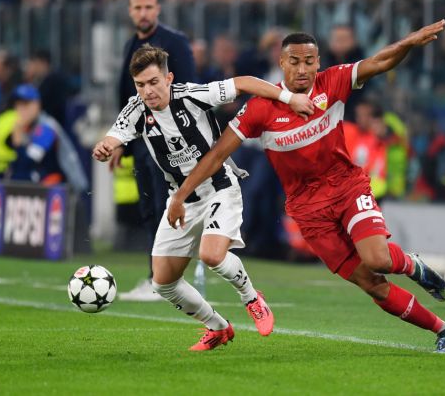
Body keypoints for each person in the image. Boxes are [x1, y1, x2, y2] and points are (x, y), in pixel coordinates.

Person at [167, 22, 445, 353]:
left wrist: (408, 42)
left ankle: (411, 265)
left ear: (318, 62)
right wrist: (181, 194)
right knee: (371, 283)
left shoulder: (333, 82)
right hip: (308, 210)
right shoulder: (261, 109)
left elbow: (379, 62)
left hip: (346, 187)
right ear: (281, 64)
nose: (302, 69)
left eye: (309, 61)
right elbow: (217, 154)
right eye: (294, 61)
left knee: (378, 259)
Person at [92, 45, 314, 351]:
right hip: (181, 201)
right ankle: (218, 327)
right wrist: (105, 146)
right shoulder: (135, 110)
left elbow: (245, 82)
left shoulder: (191, 94)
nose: (148, 91)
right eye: (141, 85)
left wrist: (290, 98)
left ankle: (252, 298)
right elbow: (114, 136)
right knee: (163, 282)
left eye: (154, 82)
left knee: (212, 255)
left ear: (168, 78)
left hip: (219, 187)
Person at [116, 0, 197, 301]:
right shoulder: (129, 45)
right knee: (149, 208)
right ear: (130, 11)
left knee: (167, 206)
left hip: (168, 142)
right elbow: (124, 96)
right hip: (140, 141)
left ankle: (165, 279)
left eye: (148, 7)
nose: (143, 13)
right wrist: (120, 138)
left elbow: (190, 88)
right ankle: (157, 277)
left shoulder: (174, 42)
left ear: (158, 8)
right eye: (137, 8)